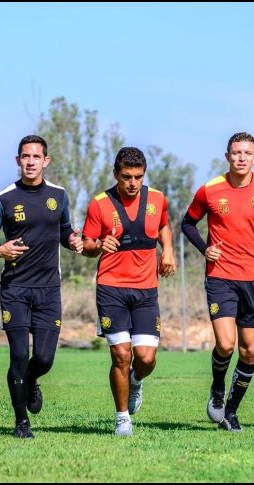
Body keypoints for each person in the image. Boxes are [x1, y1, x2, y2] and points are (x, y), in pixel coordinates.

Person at [181, 132, 254, 432]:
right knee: (226, 344)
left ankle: (230, 412)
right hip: (220, 276)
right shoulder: (210, 190)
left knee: (249, 350)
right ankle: (218, 387)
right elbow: (187, 223)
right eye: (236, 152)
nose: (241, 157)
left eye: (247, 153)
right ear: (227, 155)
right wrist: (205, 248)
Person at [0, 135, 83, 439]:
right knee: (19, 356)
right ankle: (21, 421)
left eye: (37, 156)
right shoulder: (5, 198)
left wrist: (73, 240)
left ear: (46, 161)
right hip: (15, 289)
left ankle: (32, 381)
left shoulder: (59, 196)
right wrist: (0, 249)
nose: (31, 161)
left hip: (49, 289)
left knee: (44, 359)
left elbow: (65, 230)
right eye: (26, 156)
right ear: (18, 161)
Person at [82, 147, 176, 436]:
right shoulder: (99, 204)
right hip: (111, 289)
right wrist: (99, 245)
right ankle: (122, 418)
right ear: (115, 175)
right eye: (126, 177)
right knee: (121, 355)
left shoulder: (157, 199)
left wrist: (168, 251)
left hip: (146, 290)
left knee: (146, 358)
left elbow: (164, 227)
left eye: (138, 177)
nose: (132, 183)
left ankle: (136, 380)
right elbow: (86, 245)